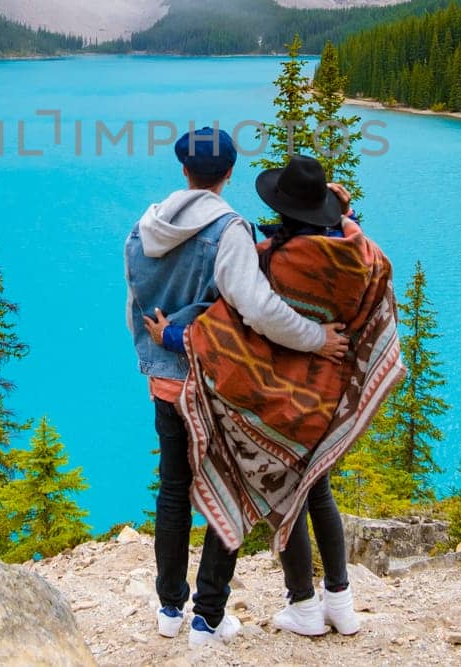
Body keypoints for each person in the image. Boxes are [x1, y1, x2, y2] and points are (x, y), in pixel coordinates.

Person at [125, 128, 349, 648]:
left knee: (173, 490)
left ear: (185, 171)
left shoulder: (142, 229)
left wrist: (161, 346)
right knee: (228, 490)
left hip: (163, 380)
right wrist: (316, 338)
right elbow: (260, 309)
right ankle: (207, 618)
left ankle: (169, 607)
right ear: (227, 175)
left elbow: (136, 303)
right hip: (212, 383)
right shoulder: (229, 231)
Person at [174, 153, 405, 639]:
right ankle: (339, 600)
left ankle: (303, 604)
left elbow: (236, 318)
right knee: (318, 489)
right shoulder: (360, 254)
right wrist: (345, 213)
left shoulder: (276, 261)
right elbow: (357, 253)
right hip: (330, 394)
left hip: (286, 400)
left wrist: (175, 337)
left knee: (291, 495)